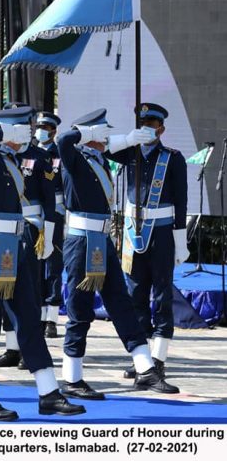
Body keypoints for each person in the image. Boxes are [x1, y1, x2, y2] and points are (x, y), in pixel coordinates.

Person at [0, 106, 84, 421]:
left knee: (29, 319)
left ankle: (48, 393)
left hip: (15, 245)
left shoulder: (14, 160)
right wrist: (2, 131)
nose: (30, 132)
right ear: (8, 130)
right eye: (23, 128)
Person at [57, 108, 179, 399]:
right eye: (102, 133)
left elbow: (113, 150)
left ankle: (145, 369)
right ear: (90, 135)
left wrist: (122, 140)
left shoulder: (97, 158)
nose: (106, 138)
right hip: (82, 240)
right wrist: (86, 134)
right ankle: (72, 377)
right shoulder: (75, 157)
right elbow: (63, 141)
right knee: (80, 308)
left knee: (121, 303)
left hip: (102, 239)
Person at [104, 103, 188, 379]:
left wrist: (180, 238)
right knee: (135, 294)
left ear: (161, 129)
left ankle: (159, 357)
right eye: (142, 126)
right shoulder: (130, 154)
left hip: (162, 233)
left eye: (151, 126)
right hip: (133, 232)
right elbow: (101, 148)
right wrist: (128, 139)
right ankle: (142, 359)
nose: (147, 130)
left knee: (162, 295)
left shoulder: (172, 158)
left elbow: (181, 202)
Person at [0, 111, 57, 370]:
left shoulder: (40, 157)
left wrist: (49, 236)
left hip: (30, 228)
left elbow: (49, 200)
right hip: (4, 227)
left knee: (29, 291)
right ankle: (11, 347)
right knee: (5, 288)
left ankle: (27, 348)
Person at [34, 112, 66, 338]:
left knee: (53, 262)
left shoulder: (59, 153)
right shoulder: (30, 152)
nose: (40, 130)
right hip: (34, 212)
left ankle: (51, 317)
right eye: (38, 126)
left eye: (45, 127)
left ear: (53, 130)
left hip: (54, 210)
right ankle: (36, 311)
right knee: (35, 262)